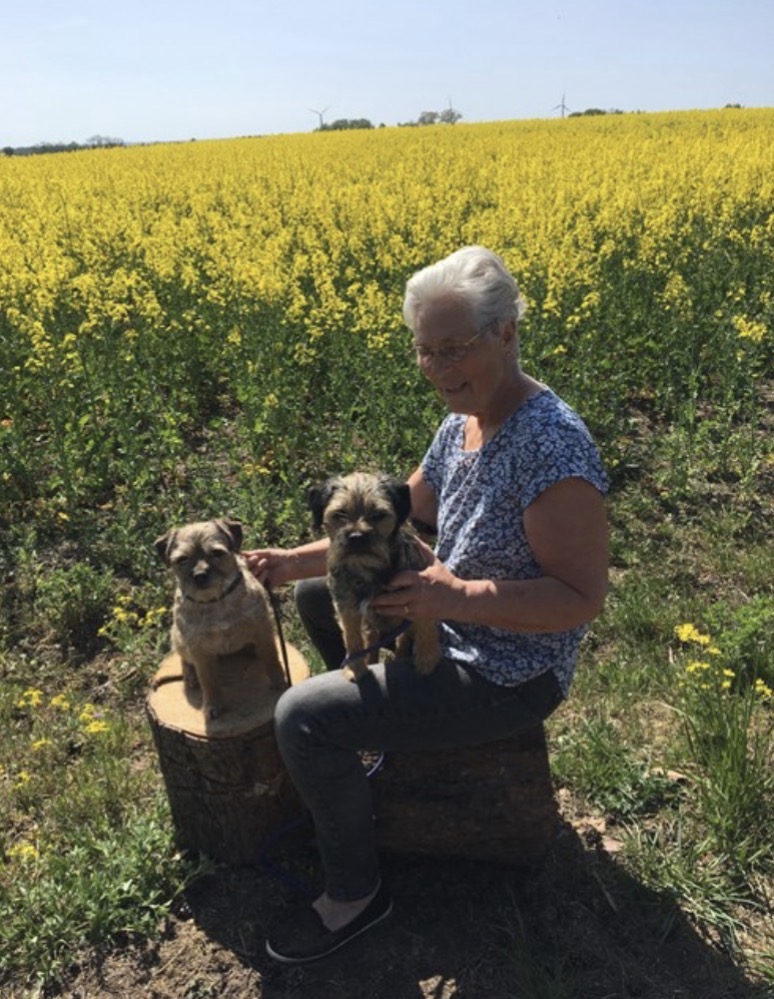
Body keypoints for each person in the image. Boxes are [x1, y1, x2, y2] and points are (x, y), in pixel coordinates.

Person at [245, 245, 609, 964]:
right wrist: (291, 562)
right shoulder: (462, 422)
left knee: (303, 718)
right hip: (441, 617)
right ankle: (383, 736)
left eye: (455, 348)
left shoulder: (554, 449)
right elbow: (387, 530)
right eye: (425, 351)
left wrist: (455, 596)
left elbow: (580, 599)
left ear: (506, 331)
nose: (439, 369)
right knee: (324, 591)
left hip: (507, 668)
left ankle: (356, 891)